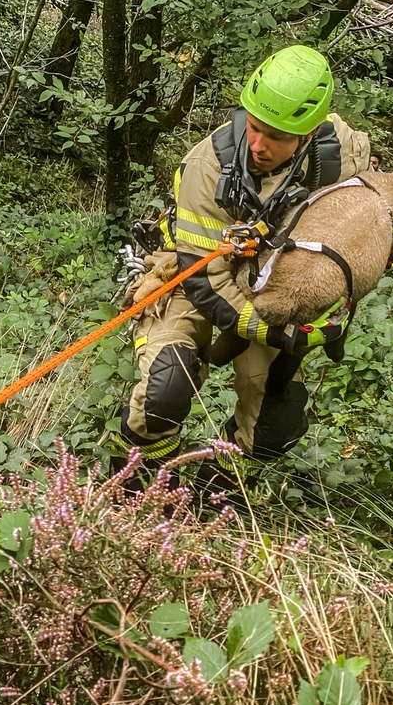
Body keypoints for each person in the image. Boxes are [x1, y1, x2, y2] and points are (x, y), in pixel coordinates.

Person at [110, 46, 372, 501]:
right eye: (252, 127)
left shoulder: (346, 155)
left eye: (275, 136)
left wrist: (354, 279)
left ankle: (214, 497)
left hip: (275, 287)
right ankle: (132, 487)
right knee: (166, 388)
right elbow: (200, 277)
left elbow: (372, 217)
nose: (257, 145)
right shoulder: (207, 167)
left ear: (308, 133)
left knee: (276, 423)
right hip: (194, 277)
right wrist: (274, 333)